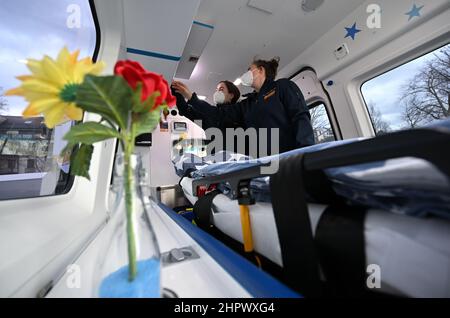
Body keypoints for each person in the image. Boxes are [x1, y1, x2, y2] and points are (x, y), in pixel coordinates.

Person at [172, 57, 314, 157]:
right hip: (261, 163)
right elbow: (217, 113)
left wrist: (305, 152)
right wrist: (190, 97)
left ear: (260, 70)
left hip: (289, 156)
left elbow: (300, 115)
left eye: (249, 70)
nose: (246, 73)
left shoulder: (281, 87)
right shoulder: (247, 104)